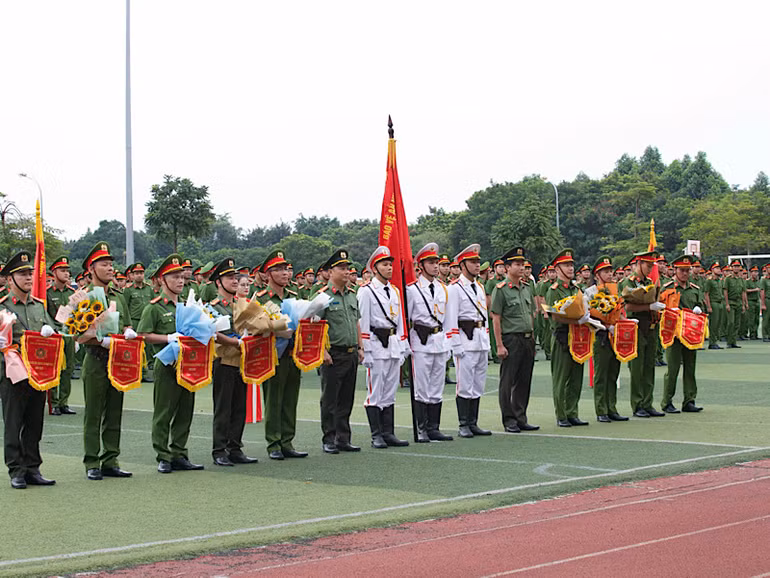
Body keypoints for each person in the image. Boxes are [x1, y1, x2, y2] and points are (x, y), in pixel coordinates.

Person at [137, 254, 205, 473]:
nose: (180, 280)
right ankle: (163, 455)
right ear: (161, 280)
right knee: (164, 412)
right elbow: (143, 334)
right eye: (174, 276)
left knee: (185, 410)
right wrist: (167, 338)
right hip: (166, 364)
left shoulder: (188, 306)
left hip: (188, 364)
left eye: (182, 276)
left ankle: (179, 453)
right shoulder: (154, 307)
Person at [0, 251, 58, 489]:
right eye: (22, 274)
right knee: (14, 422)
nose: (28, 278)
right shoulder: (2, 307)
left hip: (38, 371)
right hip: (13, 372)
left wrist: (51, 332)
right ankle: (16, 469)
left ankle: (33, 467)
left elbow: (53, 329)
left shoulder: (39, 306)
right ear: (9, 279)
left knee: (35, 422)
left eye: (29, 274)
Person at [79, 243, 135, 480]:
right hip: (95, 358)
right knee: (93, 413)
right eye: (104, 264)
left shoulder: (118, 296)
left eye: (111, 264)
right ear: (91, 268)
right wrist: (100, 340)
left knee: (114, 412)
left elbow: (126, 323)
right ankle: (92, 461)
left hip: (117, 360)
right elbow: (77, 333)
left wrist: (128, 332)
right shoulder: (82, 296)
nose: (110, 268)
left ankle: (111, 459)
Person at [255, 250, 308, 460]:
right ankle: (274, 443)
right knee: (274, 399)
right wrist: (276, 330)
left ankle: (287, 441)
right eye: (278, 270)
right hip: (272, 354)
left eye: (286, 269)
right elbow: (253, 326)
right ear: (268, 274)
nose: (285, 273)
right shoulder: (261, 298)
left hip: (293, 353)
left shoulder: (294, 296)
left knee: (290, 399)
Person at [208, 258, 259, 467]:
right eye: (229, 277)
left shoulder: (242, 305)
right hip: (224, 360)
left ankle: (235, 447)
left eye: (235, 277)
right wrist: (236, 342)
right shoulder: (213, 307)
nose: (235, 280)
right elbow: (213, 333)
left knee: (239, 407)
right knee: (224, 407)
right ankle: (219, 450)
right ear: (218, 282)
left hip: (242, 361)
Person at [358, 246, 410, 448]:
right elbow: (363, 321)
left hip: (393, 345)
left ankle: (388, 432)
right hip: (376, 345)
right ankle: (376, 434)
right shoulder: (366, 291)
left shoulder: (395, 290)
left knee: (389, 390)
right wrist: (366, 350)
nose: (389, 268)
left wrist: (403, 344)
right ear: (374, 268)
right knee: (376, 391)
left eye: (390, 264)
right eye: (384, 265)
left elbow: (400, 321)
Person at [317, 249, 365, 454]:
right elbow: (314, 327)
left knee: (346, 398)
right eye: (342, 268)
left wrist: (360, 347)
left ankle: (343, 438)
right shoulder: (322, 297)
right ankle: (329, 438)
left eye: (347, 268)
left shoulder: (352, 295)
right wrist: (322, 351)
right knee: (330, 399)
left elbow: (356, 322)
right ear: (330, 272)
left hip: (351, 352)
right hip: (333, 354)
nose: (346, 272)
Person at [407, 243, 453, 442]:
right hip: (421, 342)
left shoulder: (443, 289)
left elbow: (448, 319)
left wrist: (449, 342)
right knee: (422, 386)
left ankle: (434, 427)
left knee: (436, 386)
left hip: (439, 341)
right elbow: (407, 320)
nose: (435, 266)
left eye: (437, 262)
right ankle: (421, 427)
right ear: (421, 265)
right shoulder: (412, 290)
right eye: (431, 262)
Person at [490, 247, 539, 433]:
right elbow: (496, 318)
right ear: (507, 267)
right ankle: (509, 419)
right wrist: (499, 345)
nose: (521, 267)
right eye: (517, 264)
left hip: (527, 338)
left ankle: (520, 417)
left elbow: (531, 313)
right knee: (508, 380)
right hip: (511, 339)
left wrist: (532, 337)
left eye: (522, 264)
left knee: (524, 380)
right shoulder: (501, 289)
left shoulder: (527, 288)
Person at [445, 244, 492, 437]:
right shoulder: (454, 288)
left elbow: (484, 316)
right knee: (465, 383)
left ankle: (473, 422)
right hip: (465, 341)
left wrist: (487, 340)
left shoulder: (479, 287)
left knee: (478, 383)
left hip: (480, 340)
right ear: (462, 265)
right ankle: (463, 423)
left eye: (478, 262)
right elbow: (451, 318)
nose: (477, 265)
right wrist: (455, 344)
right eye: (472, 262)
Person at [546, 248, 591, 427]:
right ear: (557, 269)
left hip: (578, 337)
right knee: (561, 377)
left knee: (576, 377)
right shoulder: (554, 290)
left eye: (571, 264)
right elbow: (554, 315)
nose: (571, 268)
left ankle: (572, 412)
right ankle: (561, 414)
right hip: (562, 337)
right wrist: (576, 319)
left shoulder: (577, 289)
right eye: (566, 265)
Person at [619, 250, 666, 418]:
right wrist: (649, 306)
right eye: (648, 265)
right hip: (636, 325)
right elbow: (627, 306)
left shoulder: (650, 282)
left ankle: (648, 403)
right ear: (639, 264)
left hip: (650, 325)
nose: (650, 268)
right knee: (637, 368)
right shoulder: (628, 282)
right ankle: (637, 404)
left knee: (649, 366)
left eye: (652, 265)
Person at [659, 254, 705, 413]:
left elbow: (700, 306)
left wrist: (699, 309)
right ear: (675, 270)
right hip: (673, 334)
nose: (685, 273)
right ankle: (667, 401)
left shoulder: (695, 289)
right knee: (672, 369)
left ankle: (689, 400)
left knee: (690, 368)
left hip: (690, 334)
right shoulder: (668, 288)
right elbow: (661, 309)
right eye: (682, 270)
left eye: (687, 270)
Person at [586, 256, 628, 423]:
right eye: (605, 271)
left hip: (615, 336)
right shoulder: (590, 292)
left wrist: (624, 322)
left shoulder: (615, 290)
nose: (610, 274)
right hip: (600, 335)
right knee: (601, 374)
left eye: (611, 271)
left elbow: (620, 310)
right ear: (597, 275)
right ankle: (601, 409)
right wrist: (604, 325)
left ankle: (612, 408)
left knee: (613, 373)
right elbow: (588, 316)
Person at [46, 255, 77, 416]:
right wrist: (53, 329)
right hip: (55, 335)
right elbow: (45, 314)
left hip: (69, 335)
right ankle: (54, 402)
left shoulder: (73, 293)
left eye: (67, 270)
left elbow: (78, 314)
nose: (66, 273)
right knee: (55, 369)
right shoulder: (47, 293)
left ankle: (64, 402)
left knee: (68, 368)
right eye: (62, 270)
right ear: (54, 273)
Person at [123, 263, 156, 383]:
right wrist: (127, 325)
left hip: (147, 322)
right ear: (132, 275)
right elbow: (125, 307)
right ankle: (133, 372)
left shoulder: (149, 289)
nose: (139, 275)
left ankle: (144, 372)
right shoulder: (128, 290)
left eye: (141, 273)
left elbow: (153, 304)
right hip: (134, 322)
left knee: (146, 348)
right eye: (136, 273)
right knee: (134, 348)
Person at [722, 259, 747, 348]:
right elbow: (725, 291)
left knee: (737, 323)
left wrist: (743, 304)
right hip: (731, 302)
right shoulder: (728, 279)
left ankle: (734, 341)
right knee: (731, 323)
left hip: (739, 302)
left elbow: (743, 292)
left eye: (738, 266)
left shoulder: (741, 279)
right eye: (735, 266)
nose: (736, 268)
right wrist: (727, 304)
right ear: (731, 268)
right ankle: (729, 341)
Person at [746, 266, 761, 340]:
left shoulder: (758, 281)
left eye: (756, 272)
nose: (755, 273)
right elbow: (745, 290)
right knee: (751, 319)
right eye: (753, 272)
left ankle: (756, 333)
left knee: (757, 319)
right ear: (751, 273)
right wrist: (754, 290)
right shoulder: (747, 281)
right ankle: (752, 334)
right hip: (750, 301)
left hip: (757, 301)